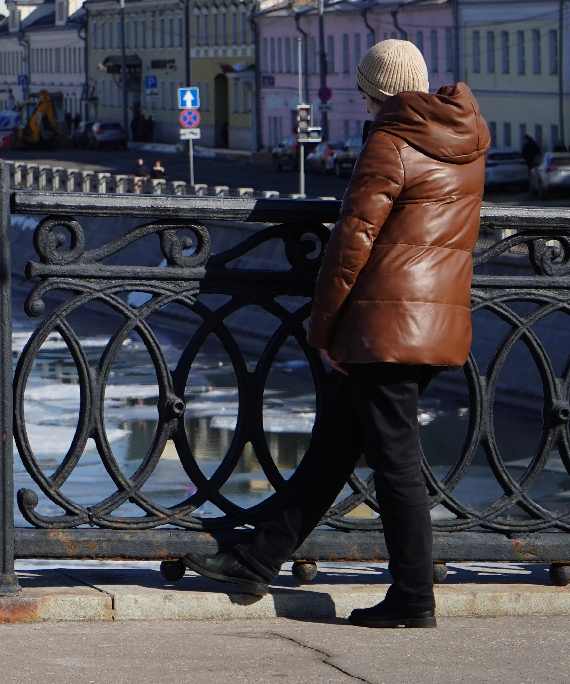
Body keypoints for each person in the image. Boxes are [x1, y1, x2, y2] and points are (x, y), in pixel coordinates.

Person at [182, 39, 489, 629]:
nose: (365, 103)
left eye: (365, 93)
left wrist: (323, 328)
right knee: (335, 446)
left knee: (397, 465)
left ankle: (413, 598)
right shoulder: (467, 140)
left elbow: (353, 241)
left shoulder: (391, 140)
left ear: (376, 92)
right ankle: (257, 558)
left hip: (385, 324)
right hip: (437, 320)